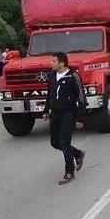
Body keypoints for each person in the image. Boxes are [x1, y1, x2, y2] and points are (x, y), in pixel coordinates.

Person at [41, 52, 86, 185]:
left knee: (64, 143)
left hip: (68, 113)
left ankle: (69, 172)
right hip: (55, 113)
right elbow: (50, 94)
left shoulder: (73, 75)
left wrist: (80, 118)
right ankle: (77, 153)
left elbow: (81, 97)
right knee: (55, 142)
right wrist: (46, 110)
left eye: (53, 61)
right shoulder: (52, 75)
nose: (51, 63)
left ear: (62, 63)